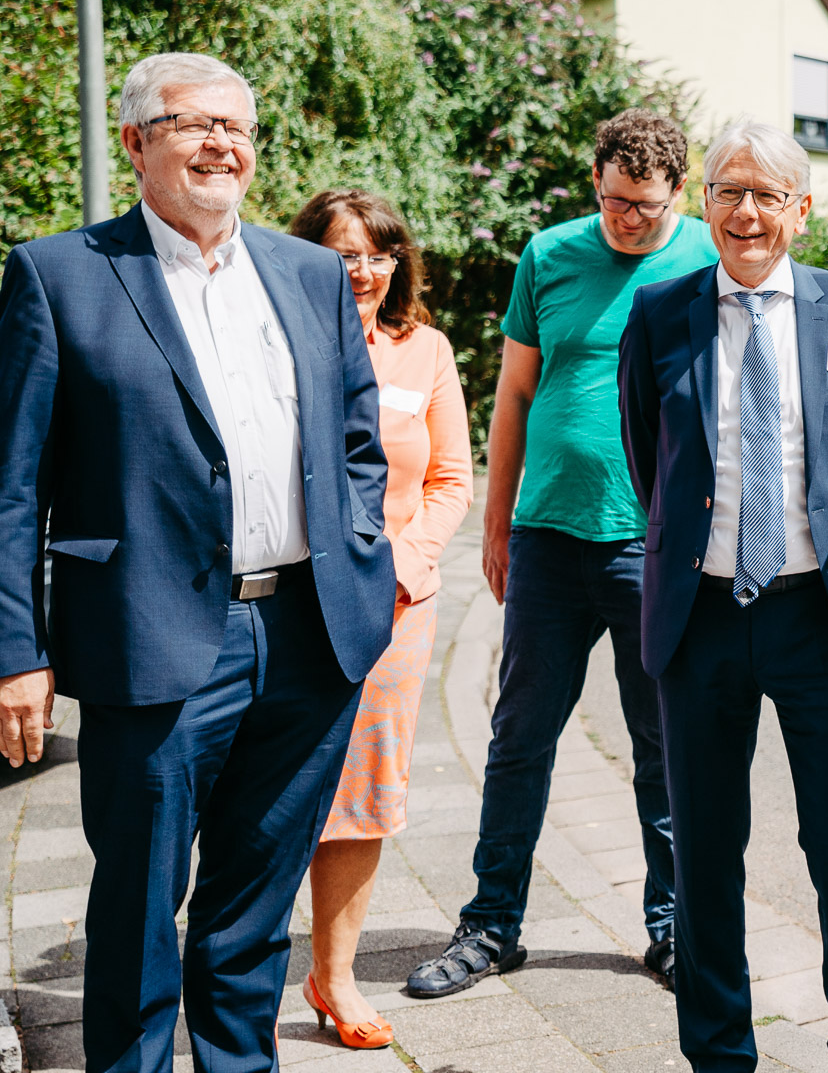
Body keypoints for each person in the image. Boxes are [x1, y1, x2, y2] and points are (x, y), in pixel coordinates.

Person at [0, 52, 396, 1073]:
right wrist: (11, 651)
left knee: (253, 908)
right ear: (134, 144)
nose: (220, 145)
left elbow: (356, 443)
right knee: (138, 905)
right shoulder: (61, 273)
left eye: (237, 128)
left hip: (309, 638)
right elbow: (8, 485)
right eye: (190, 124)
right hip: (151, 637)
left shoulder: (306, 272)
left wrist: (363, 557)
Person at [618, 120, 828, 1073]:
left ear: (802, 210)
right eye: (730, 192)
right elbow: (648, 454)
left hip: (818, 615)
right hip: (700, 620)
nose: (747, 213)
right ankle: (718, 1050)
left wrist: (823, 545)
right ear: (706, 204)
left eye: (768, 196)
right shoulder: (661, 314)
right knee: (704, 851)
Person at [408, 108, 716, 998]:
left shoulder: (706, 256)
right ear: (596, 182)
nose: (630, 222)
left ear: (678, 195)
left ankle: (672, 928)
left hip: (655, 546)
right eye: (617, 202)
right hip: (547, 538)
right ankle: (491, 926)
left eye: (648, 209)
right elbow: (513, 393)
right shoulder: (549, 255)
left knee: (665, 747)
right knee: (518, 738)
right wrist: (497, 525)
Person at [287, 189, 473, 1048]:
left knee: (361, 799)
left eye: (379, 253)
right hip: (286, 606)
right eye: (343, 252)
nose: (362, 270)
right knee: (272, 789)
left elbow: (449, 481)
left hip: (394, 608)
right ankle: (236, 971)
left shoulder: (425, 350)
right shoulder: (277, 341)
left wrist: (406, 559)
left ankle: (334, 977)